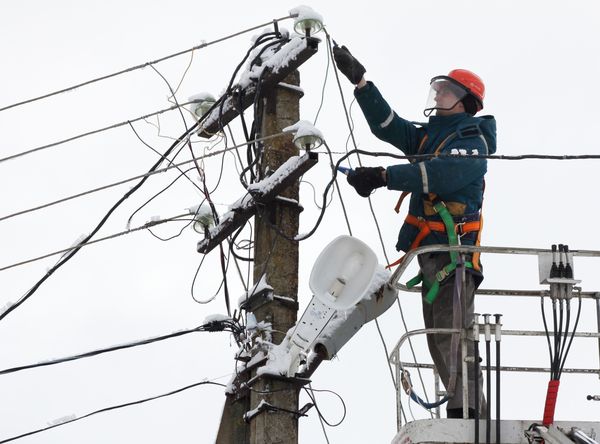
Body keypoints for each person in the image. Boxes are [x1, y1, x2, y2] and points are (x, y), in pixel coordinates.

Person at [333, 44, 497, 418]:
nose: (437, 94)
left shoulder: (472, 140)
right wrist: (361, 82)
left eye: (446, 91)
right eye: (438, 89)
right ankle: (462, 411)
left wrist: (383, 176)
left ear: (464, 101)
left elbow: (441, 173)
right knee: (438, 341)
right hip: (431, 259)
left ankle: (469, 416)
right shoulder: (429, 137)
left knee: (454, 339)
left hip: (454, 259)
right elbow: (388, 126)